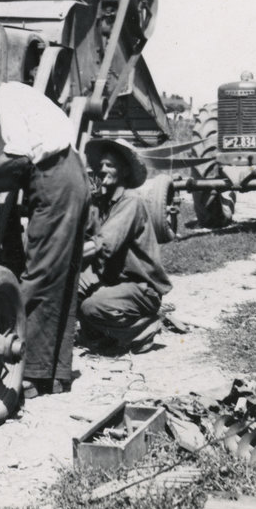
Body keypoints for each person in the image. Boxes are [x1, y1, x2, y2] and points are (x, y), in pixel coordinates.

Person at [0, 64, 90, 397]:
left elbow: (20, 157)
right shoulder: (24, 95)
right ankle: (54, 375)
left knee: (38, 273)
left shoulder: (7, 98)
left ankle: (28, 373)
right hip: (68, 176)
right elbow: (20, 169)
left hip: (54, 181)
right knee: (60, 275)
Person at [78, 138, 173, 353]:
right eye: (100, 165)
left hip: (140, 288)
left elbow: (104, 244)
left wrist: (63, 256)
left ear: (125, 171)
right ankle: (103, 334)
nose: (102, 170)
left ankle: (143, 328)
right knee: (68, 288)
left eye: (110, 165)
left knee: (92, 307)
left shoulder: (131, 201)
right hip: (113, 282)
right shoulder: (102, 204)